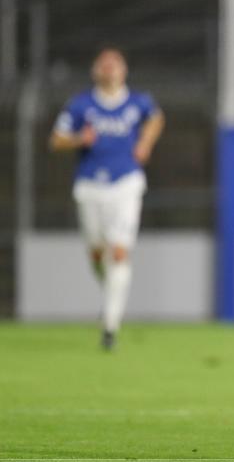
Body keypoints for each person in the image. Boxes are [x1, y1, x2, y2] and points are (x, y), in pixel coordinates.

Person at [49, 47, 164, 350]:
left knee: (120, 251)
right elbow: (56, 140)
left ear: (124, 71)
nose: (110, 68)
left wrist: (145, 143)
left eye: (115, 64)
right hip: (89, 186)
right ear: (95, 71)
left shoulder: (138, 102)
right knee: (98, 255)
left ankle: (110, 326)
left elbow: (156, 119)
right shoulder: (80, 105)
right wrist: (79, 139)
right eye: (104, 64)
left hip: (126, 183)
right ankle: (110, 293)